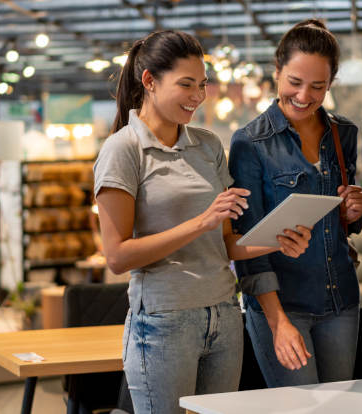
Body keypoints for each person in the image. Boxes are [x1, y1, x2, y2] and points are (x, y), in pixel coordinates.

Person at [94, 30, 312, 414]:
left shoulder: (208, 144)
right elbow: (117, 257)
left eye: (202, 84)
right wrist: (201, 221)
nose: (198, 95)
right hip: (162, 325)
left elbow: (226, 244)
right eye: (186, 84)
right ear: (150, 82)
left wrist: (278, 240)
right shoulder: (122, 149)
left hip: (225, 316)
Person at [229, 19, 362, 388]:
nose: (304, 96)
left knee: (341, 408)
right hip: (282, 305)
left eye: (318, 86)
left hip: (341, 300)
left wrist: (351, 214)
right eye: (294, 82)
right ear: (276, 72)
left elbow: (342, 224)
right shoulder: (250, 144)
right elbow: (248, 245)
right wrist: (277, 322)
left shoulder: (344, 134)